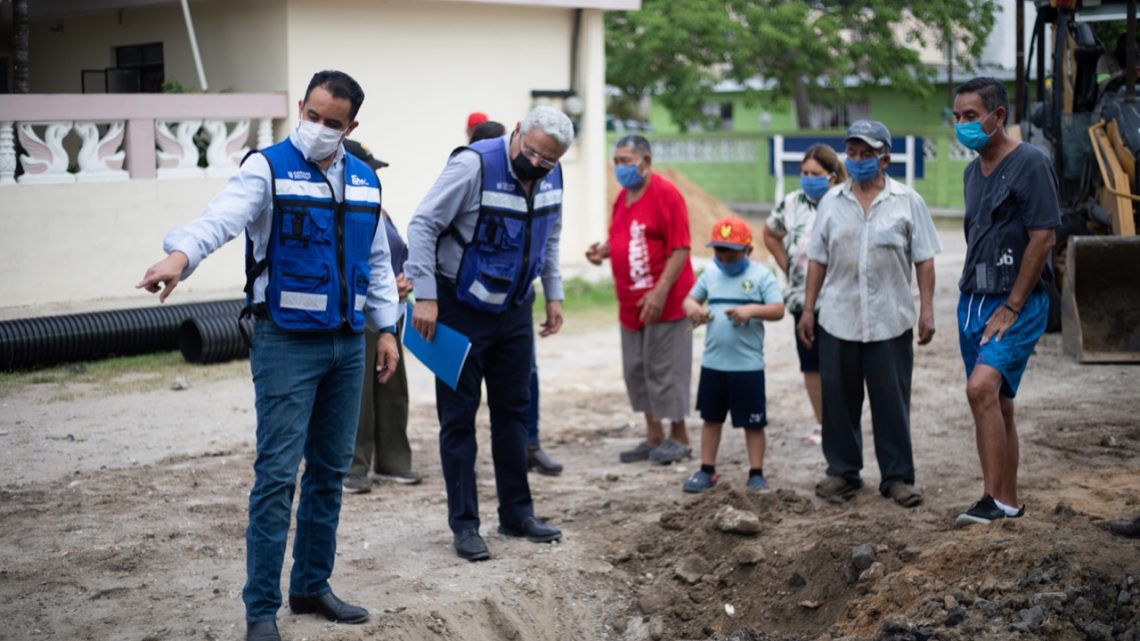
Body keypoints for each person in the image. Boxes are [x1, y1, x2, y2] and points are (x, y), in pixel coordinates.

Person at [136, 71, 400, 641]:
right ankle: (261, 608)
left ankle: (311, 585)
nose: (321, 130)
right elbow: (221, 219)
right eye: (314, 116)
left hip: (348, 342)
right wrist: (180, 257)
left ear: (351, 126)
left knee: (330, 472)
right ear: (300, 106)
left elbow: (376, 261)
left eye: (334, 124)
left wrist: (386, 329)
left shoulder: (363, 180)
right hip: (285, 340)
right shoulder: (267, 168)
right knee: (277, 476)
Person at [405, 105, 573, 561]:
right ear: (517, 132)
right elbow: (422, 225)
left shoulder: (553, 177)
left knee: (514, 413)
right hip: (458, 307)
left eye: (548, 161)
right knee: (458, 419)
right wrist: (425, 294)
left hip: (515, 310)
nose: (536, 166)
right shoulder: (473, 165)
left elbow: (549, 238)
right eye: (532, 154)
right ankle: (465, 526)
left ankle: (517, 514)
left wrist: (553, 295)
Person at [797, 119, 941, 508]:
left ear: (885, 159)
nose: (858, 160)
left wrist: (927, 310)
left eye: (867, 154)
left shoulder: (907, 202)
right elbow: (817, 260)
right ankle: (843, 472)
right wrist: (808, 309)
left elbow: (924, 260)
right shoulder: (831, 202)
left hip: (890, 319)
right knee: (839, 401)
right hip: (838, 318)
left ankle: (897, 478)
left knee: (891, 402)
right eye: (853, 153)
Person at [949, 77, 1059, 528]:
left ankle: (992, 500)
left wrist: (1013, 305)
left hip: (1016, 301)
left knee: (979, 389)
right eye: (956, 118)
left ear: (998, 117)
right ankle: (1008, 503)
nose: (962, 126)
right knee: (997, 402)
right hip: (973, 299)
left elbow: (1043, 237)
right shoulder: (972, 172)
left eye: (971, 117)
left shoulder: (1031, 163)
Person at [586, 135, 696, 465]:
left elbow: (681, 248)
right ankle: (653, 435)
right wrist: (605, 250)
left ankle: (679, 436)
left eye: (626, 161)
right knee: (637, 369)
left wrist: (660, 292)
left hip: (666, 300)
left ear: (645, 162)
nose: (620, 167)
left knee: (665, 369)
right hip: (630, 302)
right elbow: (627, 234)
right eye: (616, 161)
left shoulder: (666, 194)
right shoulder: (622, 198)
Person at [468, 120, 562, 476]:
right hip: (471, 304)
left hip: (516, 301)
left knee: (524, 380)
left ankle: (529, 445)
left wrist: (555, 296)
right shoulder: (469, 173)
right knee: (465, 385)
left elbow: (549, 239)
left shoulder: (537, 178)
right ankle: (470, 452)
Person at [340, 139, 422, 492]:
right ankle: (353, 467)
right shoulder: (340, 211)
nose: (374, 178)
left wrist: (403, 280)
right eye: (369, 171)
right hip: (360, 311)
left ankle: (393, 461)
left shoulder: (379, 211)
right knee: (360, 395)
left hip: (391, 312)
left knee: (393, 390)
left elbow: (393, 256)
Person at [681, 217, 785, 493]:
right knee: (711, 419)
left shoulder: (761, 276)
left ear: (748, 251)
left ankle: (756, 472)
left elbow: (777, 309)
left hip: (748, 367)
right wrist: (693, 309)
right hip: (714, 364)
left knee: (753, 423)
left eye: (731, 252)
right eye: (719, 251)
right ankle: (706, 469)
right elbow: (690, 299)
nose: (725, 258)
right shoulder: (710, 275)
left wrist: (751, 310)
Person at [762, 144, 847, 446]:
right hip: (802, 298)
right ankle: (822, 423)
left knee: (838, 365)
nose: (808, 179)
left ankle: (842, 421)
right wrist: (787, 266)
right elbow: (770, 232)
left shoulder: (844, 202)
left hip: (839, 298)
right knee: (810, 364)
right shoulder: (792, 203)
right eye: (804, 173)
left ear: (833, 177)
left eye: (816, 174)